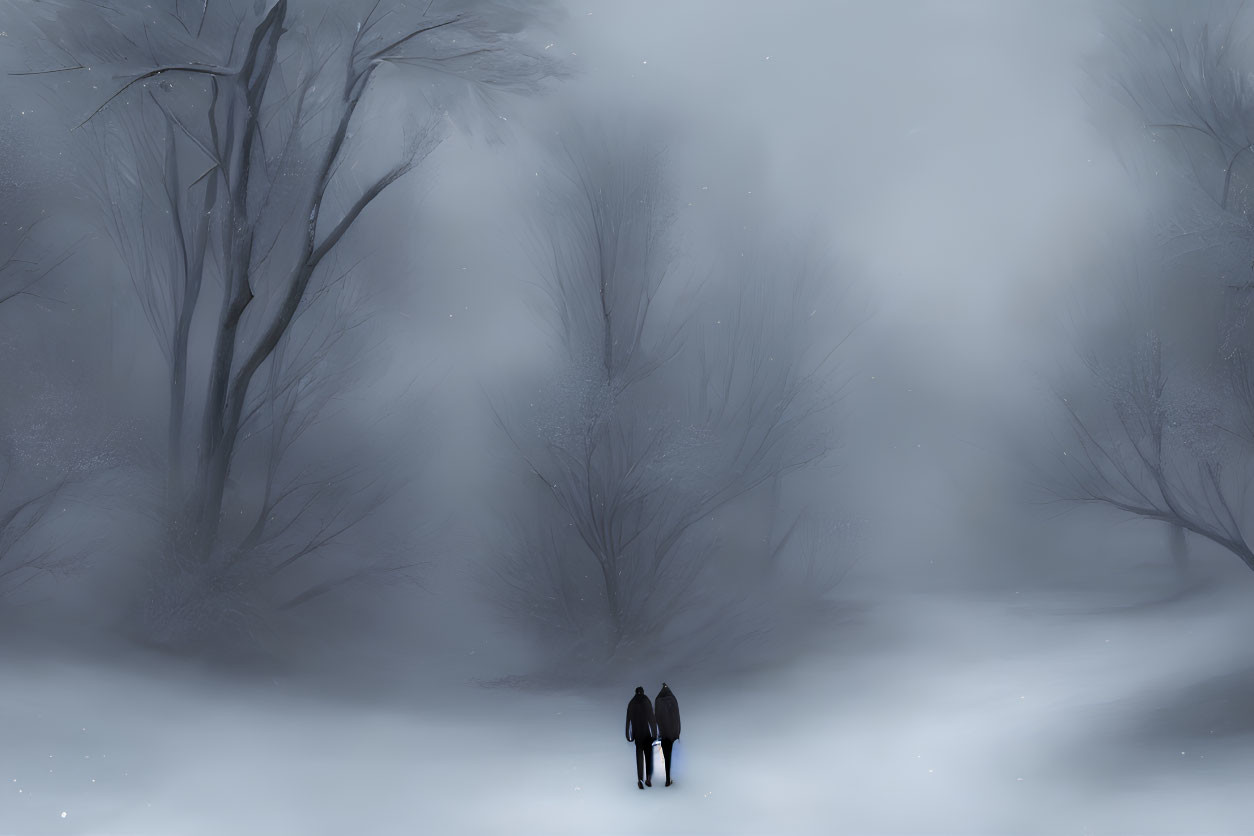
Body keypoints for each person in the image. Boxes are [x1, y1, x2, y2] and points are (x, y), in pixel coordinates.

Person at [625, 686, 657, 789]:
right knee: (648, 757)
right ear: (642, 692)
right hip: (647, 734)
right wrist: (654, 734)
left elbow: (628, 721)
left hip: (637, 734)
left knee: (639, 757)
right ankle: (648, 779)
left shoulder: (632, 703)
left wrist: (629, 736)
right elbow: (652, 718)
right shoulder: (646, 701)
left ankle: (640, 780)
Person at [654, 682, 681, 786]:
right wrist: (677, 733)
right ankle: (671, 777)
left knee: (666, 757)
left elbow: (656, 718)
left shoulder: (658, 701)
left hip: (664, 734)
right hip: (672, 734)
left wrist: (658, 734)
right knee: (673, 757)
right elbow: (677, 718)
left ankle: (667, 778)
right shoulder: (673, 701)